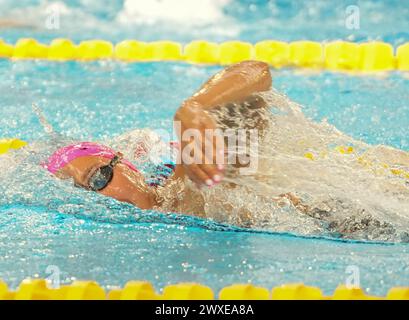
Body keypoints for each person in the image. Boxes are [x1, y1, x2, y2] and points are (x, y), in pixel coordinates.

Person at [43, 60, 272, 213]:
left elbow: (256, 73)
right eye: (79, 197)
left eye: (98, 178)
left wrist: (194, 107)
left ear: (125, 164)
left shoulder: (192, 184)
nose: (99, 199)